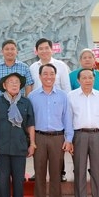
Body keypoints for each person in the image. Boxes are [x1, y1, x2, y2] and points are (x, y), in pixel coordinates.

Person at [28, 63, 73, 197]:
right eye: (45, 74)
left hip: (57, 138)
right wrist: (31, 141)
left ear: (56, 76)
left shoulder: (62, 96)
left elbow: (67, 118)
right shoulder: (32, 96)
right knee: (39, 174)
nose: (48, 77)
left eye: (51, 74)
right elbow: (30, 121)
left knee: (56, 174)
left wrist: (69, 139)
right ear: (40, 77)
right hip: (39, 137)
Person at [0, 73, 35, 197]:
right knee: (2, 180)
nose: (14, 84)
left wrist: (32, 143)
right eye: (11, 82)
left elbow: (30, 124)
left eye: (17, 82)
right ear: (4, 85)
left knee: (19, 181)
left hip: (19, 146)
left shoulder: (26, 103)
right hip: (1, 147)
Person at [67, 68, 99, 197]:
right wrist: (69, 139)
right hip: (79, 135)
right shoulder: (71, 96)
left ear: (94, 79)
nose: (87, 80)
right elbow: (69, 119)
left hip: (97, 135)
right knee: (79, 171)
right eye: (84, 77)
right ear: (78, 80)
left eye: (90, 77)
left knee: (98, 171)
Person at [29, 38, 71, 183]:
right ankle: (37, 173)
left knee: (58, 145)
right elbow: (31, 86)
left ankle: (61, 172)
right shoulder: (33, 67)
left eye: (47, 48)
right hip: (39, 105)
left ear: (52, 49)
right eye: (41, 48)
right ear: (37, 51)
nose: (44, 51)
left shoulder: (61, 66)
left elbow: (66, 87)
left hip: (57, 105)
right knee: (39, 150)